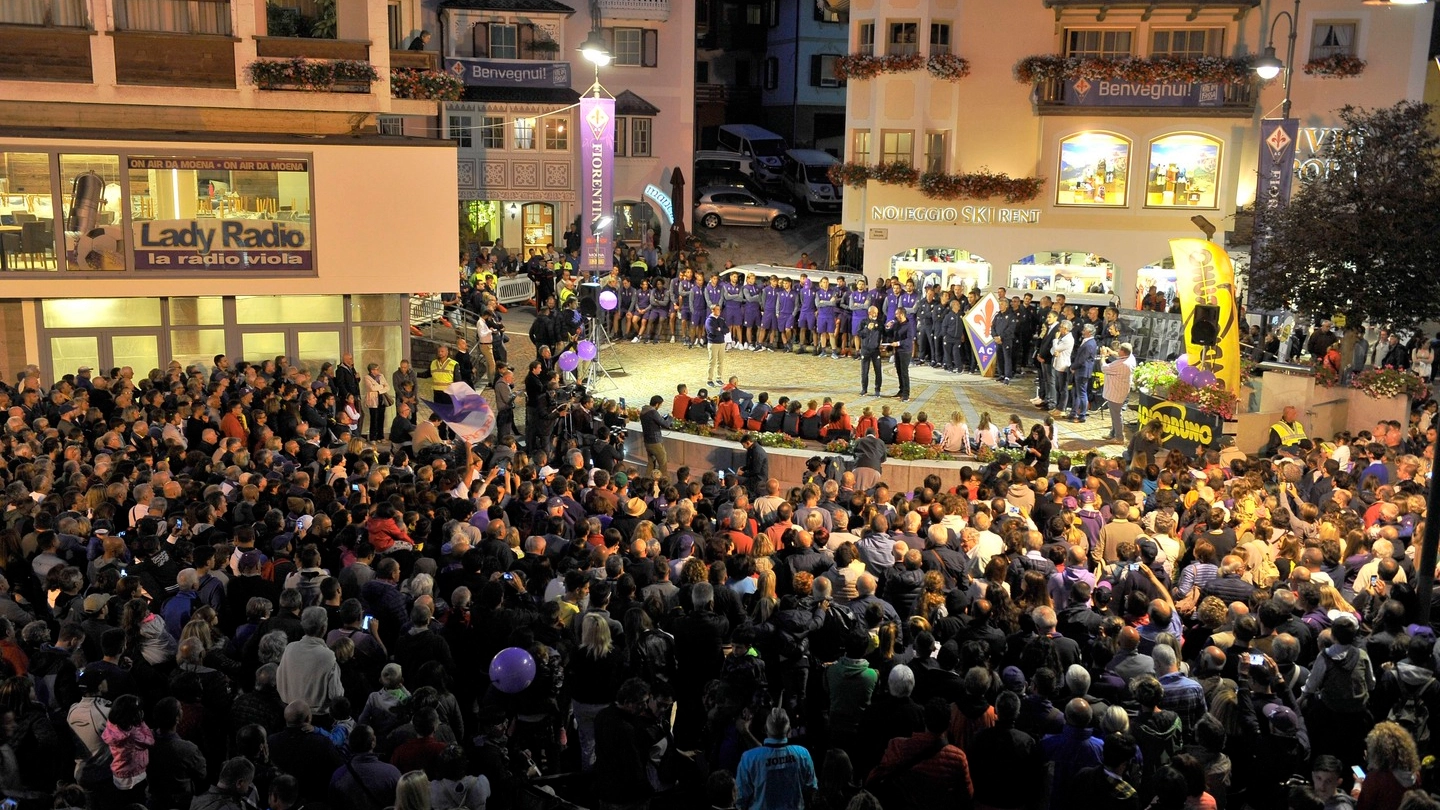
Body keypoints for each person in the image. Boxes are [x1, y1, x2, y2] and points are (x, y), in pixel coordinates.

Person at [737, 708, 817, 810]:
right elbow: (811, 789)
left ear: (765, 729)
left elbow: (741, 797)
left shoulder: (749, 758)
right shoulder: (803, 754)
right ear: (789, 730)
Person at [1100, 343, 1134, 442]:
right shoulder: (1130, 357)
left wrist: (1103, 356)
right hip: (1120, 390)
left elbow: (1104, 368)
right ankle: (1113, 433)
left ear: (1123, 351)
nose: (1117, 351)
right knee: (1115, 414)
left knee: (1116, 415)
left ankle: (1119, 437)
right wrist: (1110, 352)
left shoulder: (1122, 364)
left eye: (1119, 350)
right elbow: (1119, 355)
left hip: (1116, 392)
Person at [888, 307, 916, 401]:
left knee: (904, 372)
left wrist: (898, 343)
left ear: (902, 314)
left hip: (905, 351)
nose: (896, 316)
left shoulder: (909, 326)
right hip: (897, 351)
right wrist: (888, 327)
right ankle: (901, 390)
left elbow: (909, 340)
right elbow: (890, 334)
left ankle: (906, 394)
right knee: (899, 371)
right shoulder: (896, 324)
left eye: (897, 314)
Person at [858, 305, 884, 397]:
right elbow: (859, 333)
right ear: (869, 313)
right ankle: (864, 389)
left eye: (877, 313)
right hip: (865, 350)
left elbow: (884, 333)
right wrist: (867, 329)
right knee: (864, 371)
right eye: (874, 313)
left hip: (875, 350)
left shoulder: (880, 322)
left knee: (878, 371)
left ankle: (877, 390)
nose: (876, 315)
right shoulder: (863, 322)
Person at [706, 303, 729, 387]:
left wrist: (720, 330)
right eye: (717, 309)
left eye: (719, 309)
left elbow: (727, 330)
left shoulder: (721, 319)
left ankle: (719, 378)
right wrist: (720, 331)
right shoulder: (709, 320)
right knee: (712, 362)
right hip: (713, 343)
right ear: (713, 310)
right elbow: (713, 331)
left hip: (721, 343)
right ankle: (709, 379)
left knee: (720, 362)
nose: (719, 311)